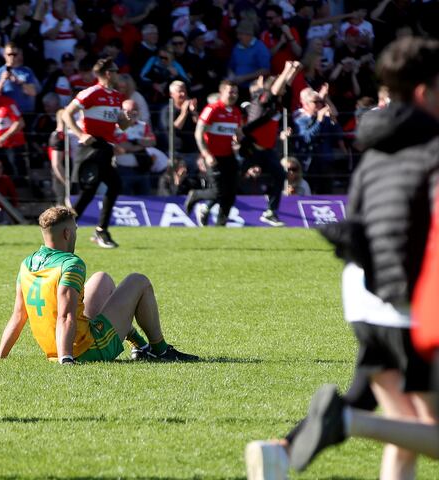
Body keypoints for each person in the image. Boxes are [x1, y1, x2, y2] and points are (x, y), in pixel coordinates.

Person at [265, 36, 439, 477]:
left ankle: (298, 440)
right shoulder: (433, 146)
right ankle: (345, 421)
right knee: (427, 429)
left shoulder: (376, 149)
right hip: (409, 300)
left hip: (364, 297)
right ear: (424, 91)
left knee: (403, 433)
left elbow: (356, 220)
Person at [0, 206, 198, 363]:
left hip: (58, 347)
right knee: (139, 281)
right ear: (66, 234)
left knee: (102, 278)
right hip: (85, 350)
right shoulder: (70, 264)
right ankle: (160, 351)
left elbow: (19, 315)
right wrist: (67, 360)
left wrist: (0, 355)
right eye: (75, 229)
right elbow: (66, 316)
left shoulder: (27, 263)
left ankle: (139, 345)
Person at [61, 57, 130, 249]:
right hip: (93, 147)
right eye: (115, 70)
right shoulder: (90, 93)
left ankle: (75, 228)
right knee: (92, 190)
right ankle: (73, 229)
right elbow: (67, 113)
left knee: (108, 187)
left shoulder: (116, 96)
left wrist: (128, 119)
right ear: (108, 73)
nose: (118, 74)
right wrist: (80, 134)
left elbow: (120, 125)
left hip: (106, 148)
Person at [241, 61, 302, 227]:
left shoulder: (277, 103)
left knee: (280, 176)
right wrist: (286, 69)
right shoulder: (263, 98)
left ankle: (270, 212)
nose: (284, 89)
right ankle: (208, 202)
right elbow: (275, 88)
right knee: (232, 177)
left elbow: (285, 85)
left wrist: (294, 70)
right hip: (249, 148)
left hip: (266, 151)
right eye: (280, 86)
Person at [188, 80, 243, 227]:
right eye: (230, 92)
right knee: (218, 192)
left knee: (230, 193)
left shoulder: (236, 112)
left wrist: (238, 140)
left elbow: (237, 133)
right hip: (213, 156)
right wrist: (206, 154)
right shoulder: (212, 109)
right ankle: (195, 195)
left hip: (229, 156)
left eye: (235, 92)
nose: (233, 95)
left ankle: (220, 224)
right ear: (222, 93)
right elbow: (199, 133)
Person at [114, 99, 156, 195]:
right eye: (129, 111)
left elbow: (152, 141)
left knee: (146, 197)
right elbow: (121, 146)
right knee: (125, 197)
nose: (133, 113)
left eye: (135, 110)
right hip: (123, 169)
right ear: (122, 111)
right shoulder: (116, 127)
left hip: (142, 167)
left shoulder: (143, 125)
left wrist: (134, 141)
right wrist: (141, 144)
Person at [0, 43, 40, 114]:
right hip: (6, 112)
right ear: (4, 55)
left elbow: (33, 92)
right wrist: (2, 81)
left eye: (14, 54)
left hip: (25, 112)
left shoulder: (27, 71)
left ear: (19, 55)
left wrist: (19, 82)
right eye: (9, 54)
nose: (12, 57)